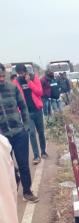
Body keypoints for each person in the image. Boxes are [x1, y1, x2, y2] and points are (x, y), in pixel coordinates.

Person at [0, 62, 39, 202]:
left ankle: (27, 192)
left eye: (3, 75)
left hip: (19, 134)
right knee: (7, 166)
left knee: (23, 164)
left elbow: (23, 107)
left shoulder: (12, 88)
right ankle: (14, 180)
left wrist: (26, 125)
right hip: (2, 139)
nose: (1, 78)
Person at [13, 64, 47, 165]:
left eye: (22, 72)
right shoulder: (16, 82)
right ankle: (36, 156)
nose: (21, 75)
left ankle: (43, 151)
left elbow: (39, 92)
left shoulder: (34, 78)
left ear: (25, 71)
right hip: (26, 113)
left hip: (37, 110)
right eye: (19, 73)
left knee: (41, 132)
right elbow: (16, 97)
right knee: (31, 134)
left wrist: (29, 82)